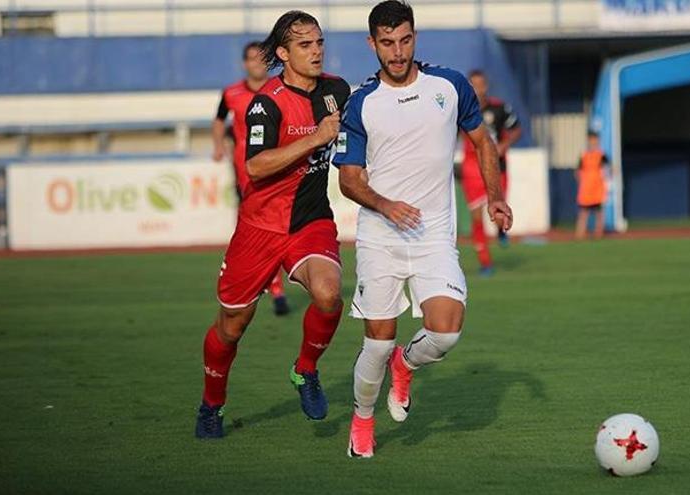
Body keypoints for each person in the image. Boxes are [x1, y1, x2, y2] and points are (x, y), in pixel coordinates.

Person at [333, 0, 513, 458]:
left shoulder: (449, 86)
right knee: (377, 341)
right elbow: (350, 179)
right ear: (372, 44)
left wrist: (494, 195)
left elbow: (482, 141)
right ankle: (363, 422)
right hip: (380, 235)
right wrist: (385, 204)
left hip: (433, 233)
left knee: (447, 332)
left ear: (415, 37)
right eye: (388, 43)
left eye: (405, 40)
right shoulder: (361, 102)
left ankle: (406, 364)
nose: (397, 52)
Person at [195, 10, 350, 439]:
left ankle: (305, 370)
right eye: (305, 45)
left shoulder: (338, 90)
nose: (316, 51)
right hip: (259, 228)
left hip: (310, 221)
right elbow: (257, 166)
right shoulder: (267, 102)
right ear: (282, 53)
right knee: (233, 326)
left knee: (328, 293)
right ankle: (212, 404)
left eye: (319, 42)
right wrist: (315, 139)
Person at [212, 41, 290, 316]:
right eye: (252, 60)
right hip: (246, 173)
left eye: (261, 59)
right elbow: (219, 119)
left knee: (277, 226)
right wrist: (218, 145)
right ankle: (259, 286)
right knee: (253, 229)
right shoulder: (231, 93)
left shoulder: (278, 90)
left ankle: (276, 289)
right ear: (245, 63)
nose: (256, 64)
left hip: (276, 167)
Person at [459, 69, 521, 275]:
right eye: (473, 85)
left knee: (499, 209)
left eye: (481, 84)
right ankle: (485, 263)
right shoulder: (461, 109)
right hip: (471, 167)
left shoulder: (500, 107)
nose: (478, 89)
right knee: (477, 218)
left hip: (497, 166)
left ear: (486, 86)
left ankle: (500, 231)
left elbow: (516, 129)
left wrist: (504, 144)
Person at [575, 131, 608, 240]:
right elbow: (577, 171)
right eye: (591, 140)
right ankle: (580, 234)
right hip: (586, 189)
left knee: (599, 212)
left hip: (597, 188)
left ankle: (599, 233)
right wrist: (582, 180)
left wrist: (604, 179)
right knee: (584, 212)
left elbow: (608, 169)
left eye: (595, 140)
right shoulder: (583, 155)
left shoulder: (601, 155)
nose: (593, 142)